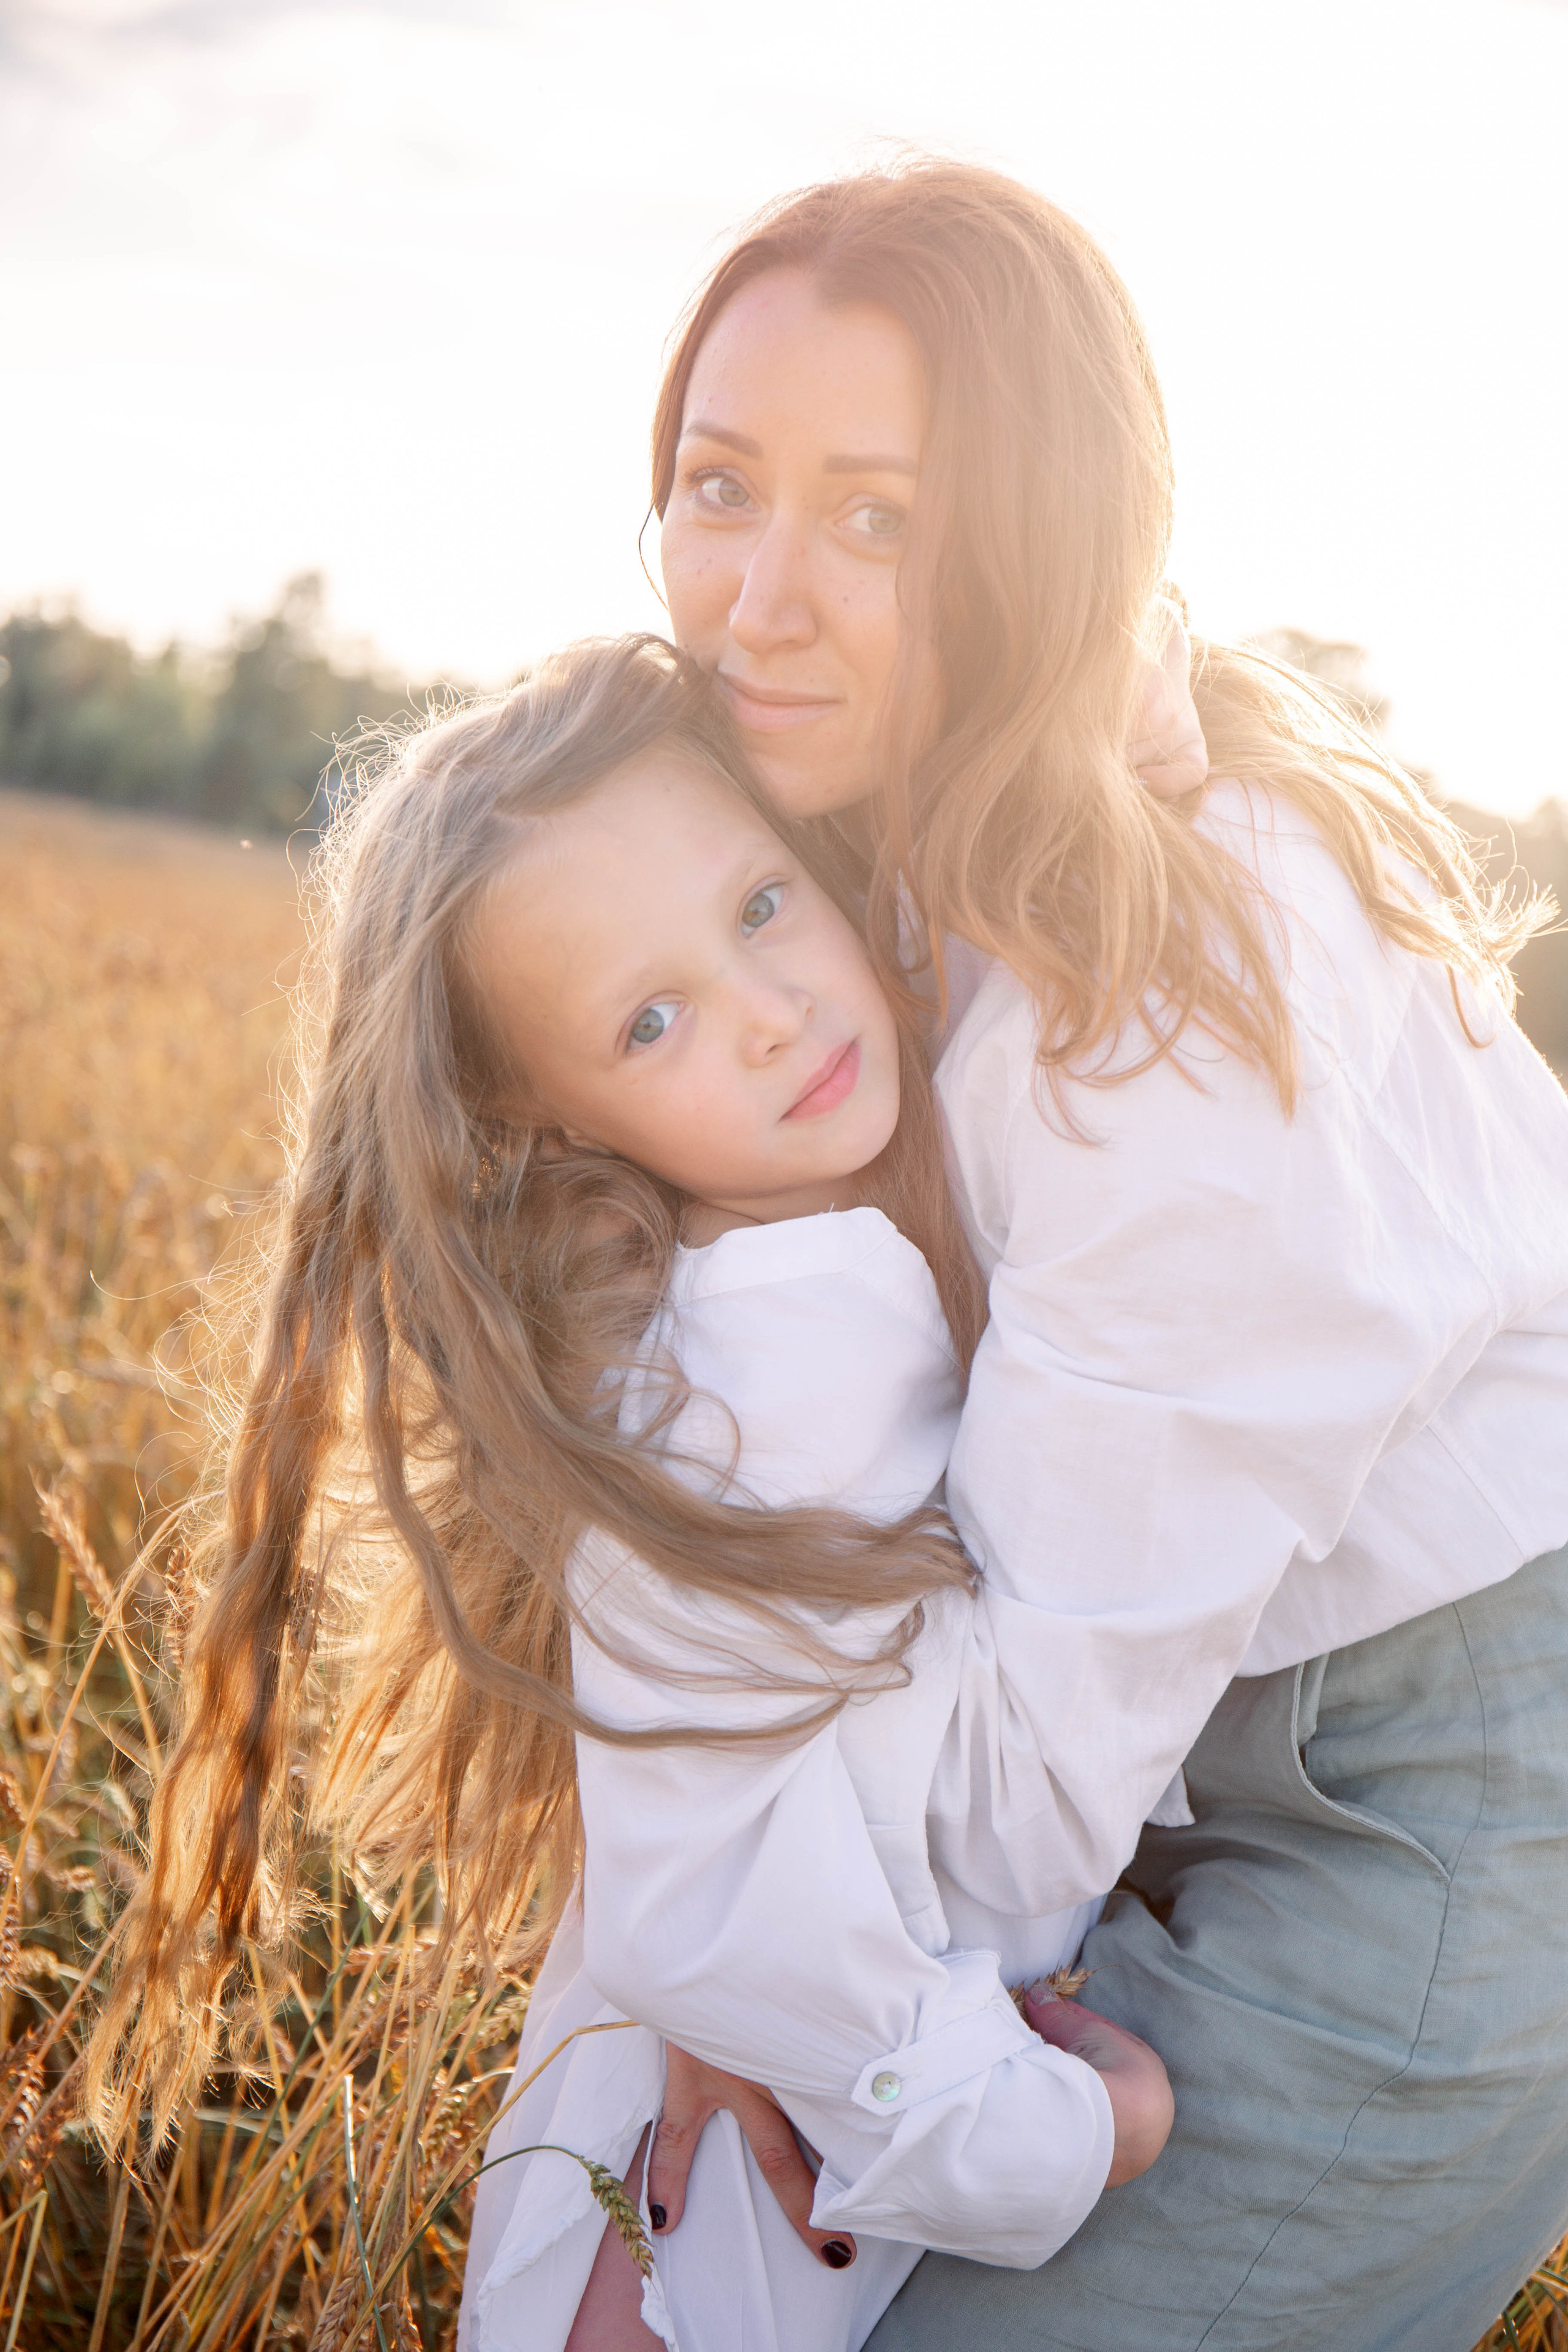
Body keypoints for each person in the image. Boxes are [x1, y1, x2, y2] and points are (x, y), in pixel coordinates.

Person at [629, 159, 1568, 2352]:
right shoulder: (863, 852)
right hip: (1157, 1743)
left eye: (880, 515)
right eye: (717, 484)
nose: (761, 593)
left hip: (1423, 1818)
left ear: (1045, 538)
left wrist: (755, 1977)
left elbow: (1034, 1751)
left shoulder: (1155, 991)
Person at [81, 635, 1170, 2351]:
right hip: (722, 2266)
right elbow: (701, 1916)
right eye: (649, 1021)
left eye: (756, 907)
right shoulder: (724, 1387)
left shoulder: (821, 1254)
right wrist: (1076, 2134)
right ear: (539, 1113)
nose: (770, 1015)